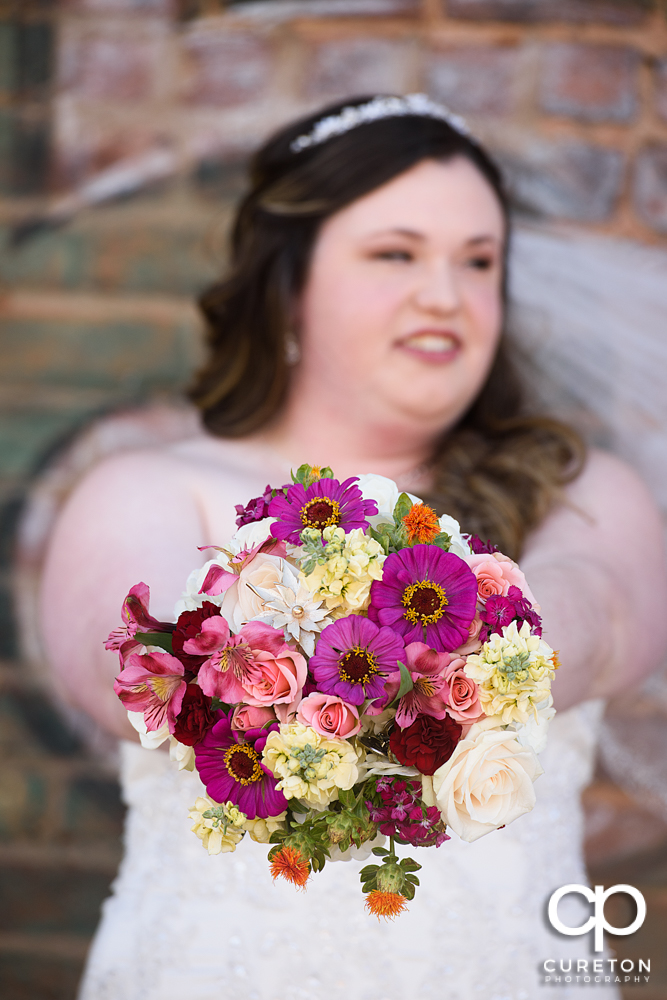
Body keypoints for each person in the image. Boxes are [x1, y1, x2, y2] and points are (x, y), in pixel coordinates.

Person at [40, 94, 667, 1000]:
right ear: (287, 284)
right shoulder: (145, 489)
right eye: (394, 254)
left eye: (478, 261)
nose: (445, 297)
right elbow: (133, 667)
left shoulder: (577, 488)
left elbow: (601, 611)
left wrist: (470, 659)